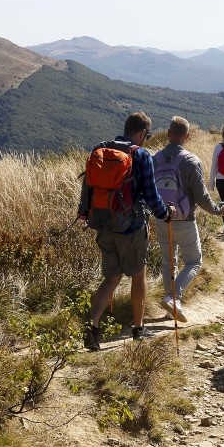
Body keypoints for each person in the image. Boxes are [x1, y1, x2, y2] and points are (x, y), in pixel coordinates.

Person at [78, 111, 176, 351]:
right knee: (138, 275)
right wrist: (165, 213)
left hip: (103, 223)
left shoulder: (100, 150)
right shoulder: (141, 155)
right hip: (131, 226)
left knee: (111, 278)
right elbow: (151, 196)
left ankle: (93, 328)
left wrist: (84, 213)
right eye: (148, 135)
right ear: (142, 132)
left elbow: (88, 188)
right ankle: (138, 329)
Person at [153, 116, 224, 322]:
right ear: (187, 136)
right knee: (194, 261)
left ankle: (171, 307)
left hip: (161, 217)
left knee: (169, 261)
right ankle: (173, 298)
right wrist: (217, 210)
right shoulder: (190, 161)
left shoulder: (155, 159)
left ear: (168, 134)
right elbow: (202, 197)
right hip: (184, 220)